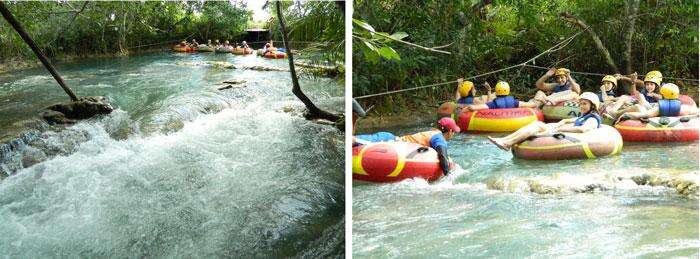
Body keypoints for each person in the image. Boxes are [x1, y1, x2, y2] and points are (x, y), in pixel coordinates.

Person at [487, 92, 602, 151]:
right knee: (536, 124)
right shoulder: (585, 116)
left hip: (569, 136)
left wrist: (560, 128)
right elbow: (572, 120)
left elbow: (582, 129)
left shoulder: (592, 119)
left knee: (536, 126)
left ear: (592, 106)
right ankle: (505, 140)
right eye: (581, 103)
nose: (581, 106)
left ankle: (507, 143)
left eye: (585, 104)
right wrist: (562, 122)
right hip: (563, 131)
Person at [354, 118, 461, 175]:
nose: (453, 134)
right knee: (352, 140)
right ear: (450, 131)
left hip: (391, 140)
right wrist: (448, 175)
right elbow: (442, 156)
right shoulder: (439, 138)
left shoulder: (432, 133)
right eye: (453, 132)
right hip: (389, 141)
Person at [617, 83, 698, 121]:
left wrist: (624, 116)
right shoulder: (684, 108)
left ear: (663, 94)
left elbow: (643, 114)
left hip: (656, 118)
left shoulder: (658, 109)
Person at [464, 81, 538, 111]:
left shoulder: (494, 104)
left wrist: (467, 108)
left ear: (496, 92)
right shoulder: (514, 102)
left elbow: (473, 108)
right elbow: (532, 104)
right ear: (508, 91)